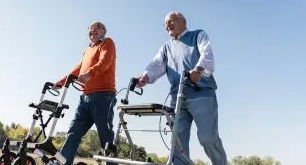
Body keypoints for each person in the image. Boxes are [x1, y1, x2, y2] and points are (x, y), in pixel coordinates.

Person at [137, 12, 227, 165]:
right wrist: (145, 76)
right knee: (178, 144)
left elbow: (207, 53)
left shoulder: (197, 35)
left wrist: (198, 70)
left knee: (208, 138)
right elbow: (156, 64)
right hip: (177, 98)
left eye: (171, 21)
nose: (167, 25)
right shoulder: (166, 47)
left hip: (201, 93)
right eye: (165, 24)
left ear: (183, 21)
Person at [53, 21, 117, 165]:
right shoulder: (87, 50)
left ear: (103, 31)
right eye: (90, 30)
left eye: (96, 29)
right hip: (85, 97)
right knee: (73, 132)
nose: (92, 31)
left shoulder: (107, 43)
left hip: (103, 96)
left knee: (105, 137)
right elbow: (78, 69)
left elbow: (104, 62)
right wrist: (61, 82)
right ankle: (63, 162)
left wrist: (89, 74)